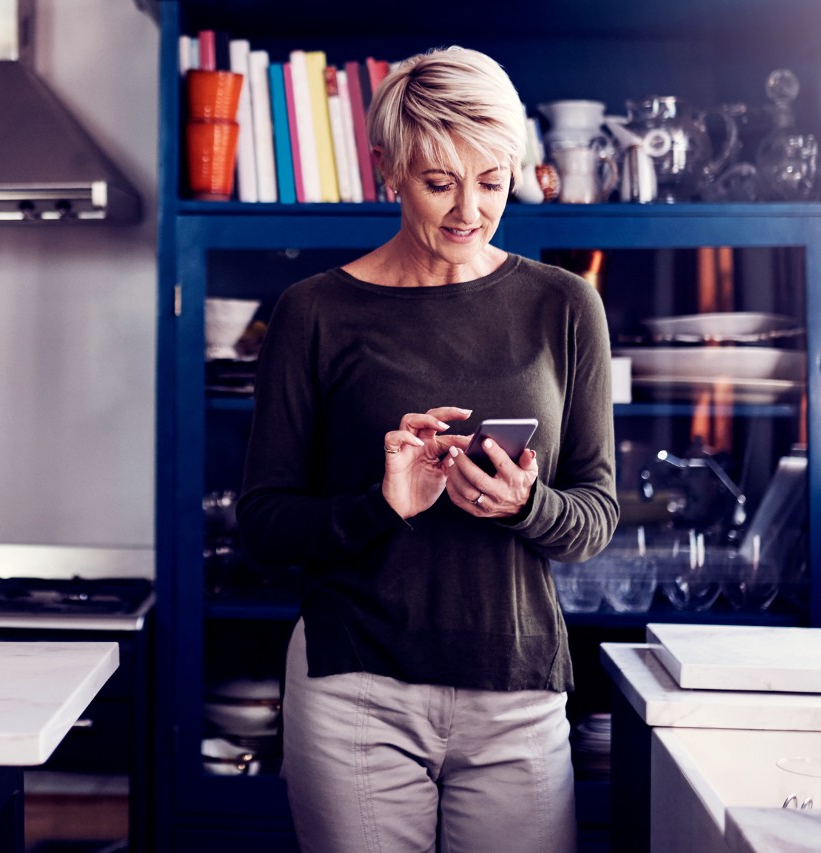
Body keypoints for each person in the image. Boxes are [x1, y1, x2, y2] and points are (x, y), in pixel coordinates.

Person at [236, 46, 618, 853]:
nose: (468, 211)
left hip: (517, 689)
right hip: (354, 688)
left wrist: (527, 503)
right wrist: (383, 506)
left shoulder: (566, 305)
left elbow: (596, 513)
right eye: (439, 182)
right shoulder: (312, 312)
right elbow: (265, 525)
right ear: (387, 171)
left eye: (491, 181)